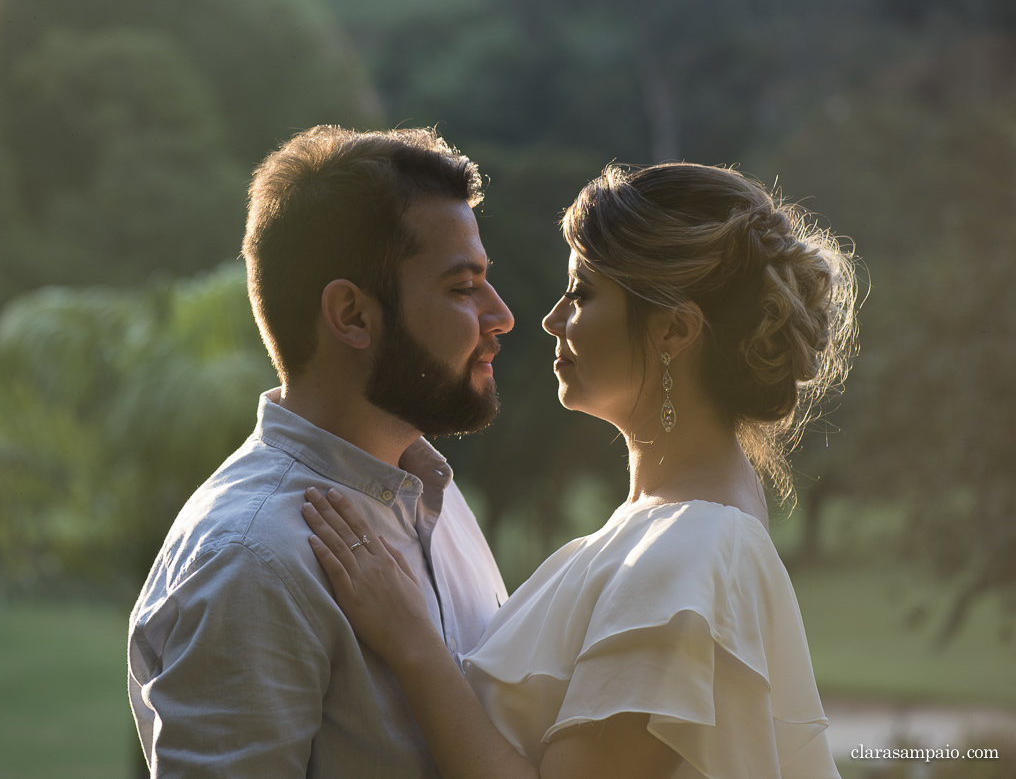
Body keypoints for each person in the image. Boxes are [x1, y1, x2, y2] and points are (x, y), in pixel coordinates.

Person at [302, 162, 857, 779]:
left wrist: (413, 645)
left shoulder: (692, 557)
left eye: (583, 293)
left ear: (675, 328)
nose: (551, 319)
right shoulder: (666, 534)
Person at [127, 125, 516, 778]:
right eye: (461, 287)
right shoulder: (251, 557)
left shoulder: (434, 499)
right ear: (353, 315)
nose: (499, 314)